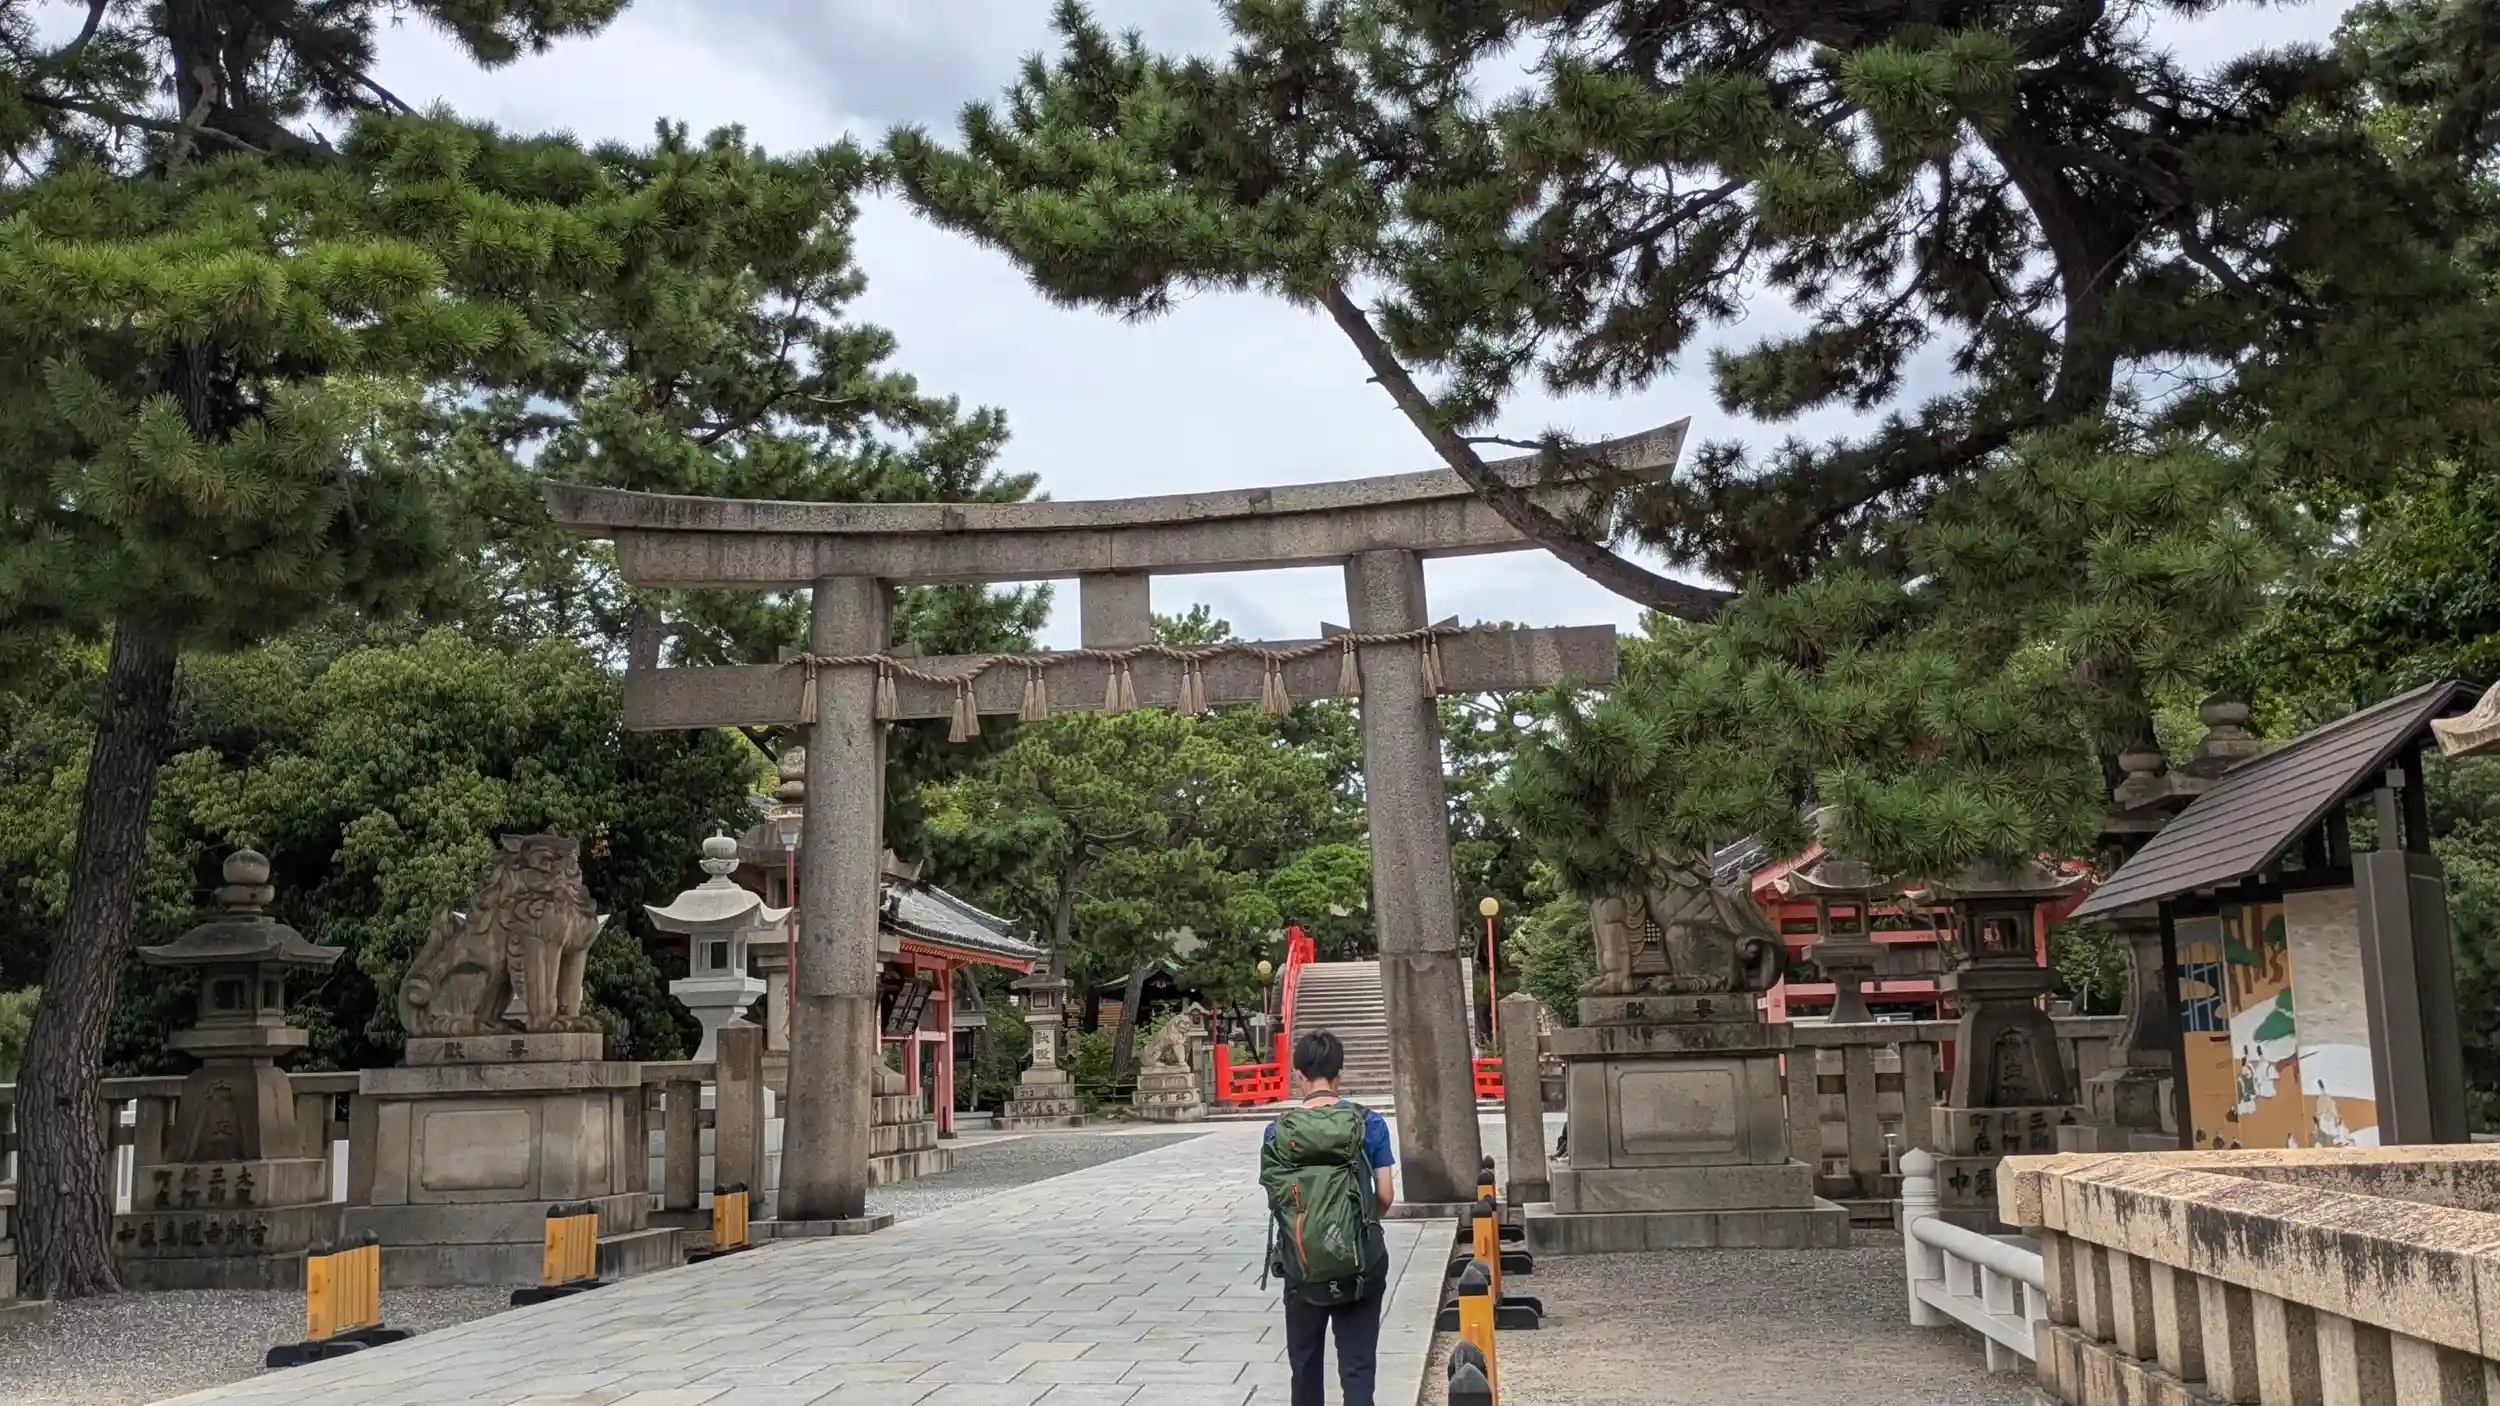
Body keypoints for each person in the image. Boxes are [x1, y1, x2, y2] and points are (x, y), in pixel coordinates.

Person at [1261, 1030, 1395, 1406]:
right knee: (1357, 1369)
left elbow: (1278, 1199)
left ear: (1298, 1075)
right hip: (1361, 1263)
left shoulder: (1277, 1131)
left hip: (1301, 1263)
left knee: (1304, 1368)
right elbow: (1386, 1194)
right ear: (1341, 1074)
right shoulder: (1369, 1123)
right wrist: (1358, 1224)